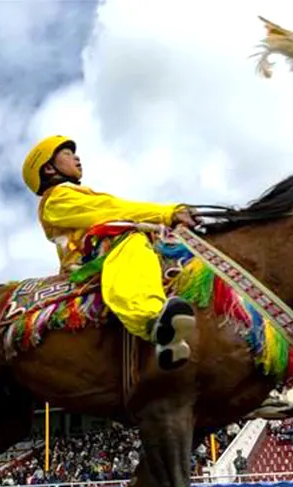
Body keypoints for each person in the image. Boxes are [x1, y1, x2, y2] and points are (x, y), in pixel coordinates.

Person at [23, 135, 199, 370]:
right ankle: (152, 319)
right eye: (66, 154)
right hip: (89, 263)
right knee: (129, 239)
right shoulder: (56, 200)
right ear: (48, 169)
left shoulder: (79, 193)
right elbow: (112, 210)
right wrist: (168, 214)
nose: (76, 157)